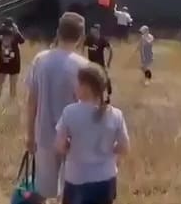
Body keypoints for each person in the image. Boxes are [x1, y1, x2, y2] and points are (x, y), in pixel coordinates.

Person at [25, 12, 89, 202]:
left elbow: (32, 100)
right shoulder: (83, 66)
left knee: (42, 189)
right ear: (80, 36)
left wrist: (29, 134)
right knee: (69, 190)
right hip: (72, 138)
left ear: (58, 32)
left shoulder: (40, 60)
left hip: (43, 134)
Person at [55, 64, 130, 204]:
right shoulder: (116, 114)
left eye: (77, 84)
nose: (75, 88)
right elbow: (124, 147)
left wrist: (69, 146)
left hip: (77, 178)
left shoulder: (70, 112)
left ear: (86, 87)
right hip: (106, 178)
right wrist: (110, 151)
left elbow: (60, 146)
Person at [83, 24, 113, 103]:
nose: (92, 31)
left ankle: (108, 95)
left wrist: (109, 62)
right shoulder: (89, 39)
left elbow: (110, 50)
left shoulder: (102, 40)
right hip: (91, 64)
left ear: (97, 30)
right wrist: (83, 58)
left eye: (93, 29)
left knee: (105, 78)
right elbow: (82, 47)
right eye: (91, 29)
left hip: (100, 64)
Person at [0, 23, 25, 101]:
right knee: (13, 84)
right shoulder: (15, 35)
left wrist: (1, 27)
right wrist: (17, 29)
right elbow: (22, 41)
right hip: (14, 62)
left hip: (3, 61)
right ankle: (12, 100)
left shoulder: (1, 35)